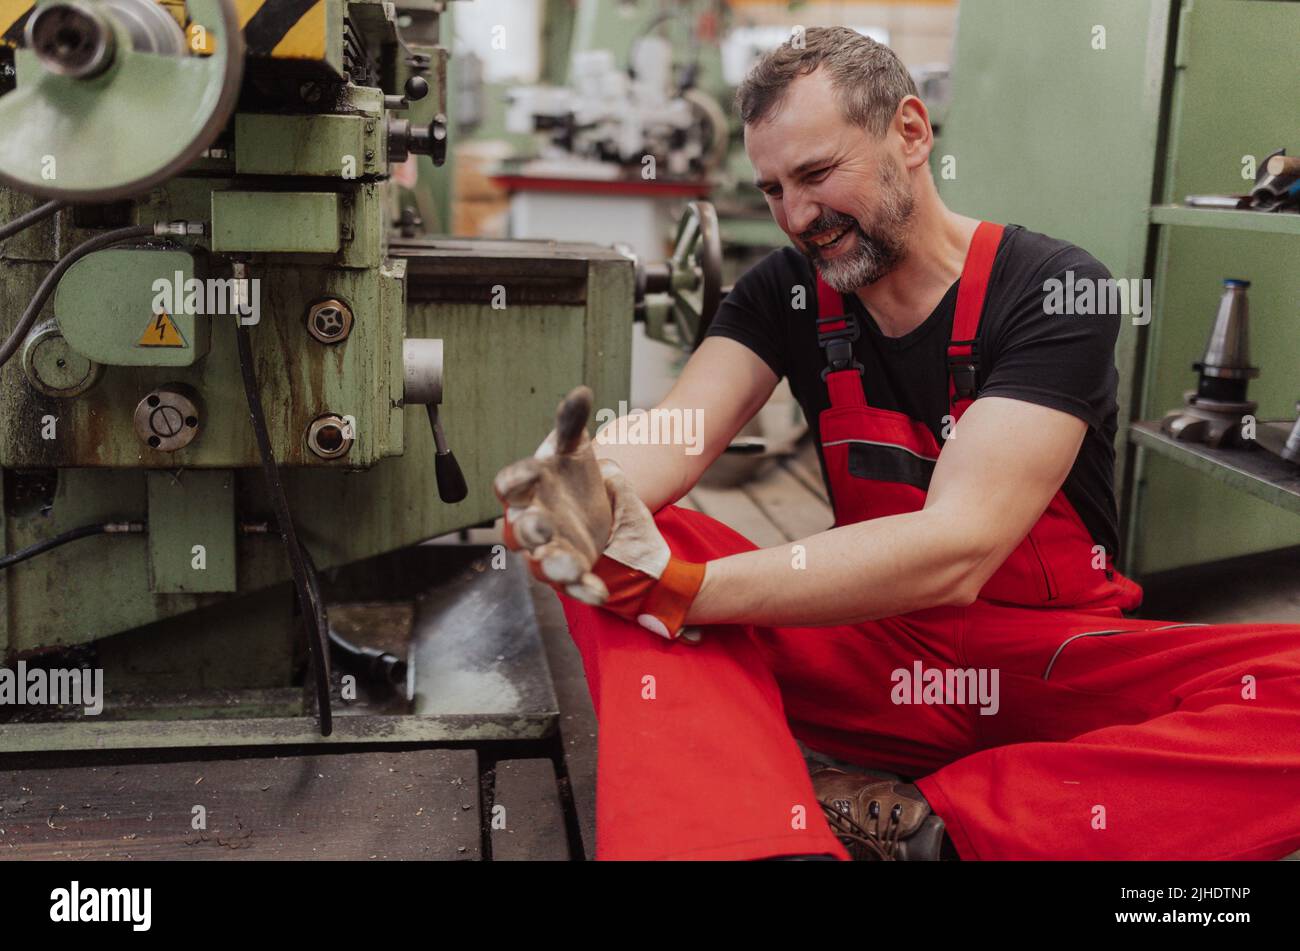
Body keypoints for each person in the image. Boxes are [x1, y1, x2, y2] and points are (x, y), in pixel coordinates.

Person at [493, 27, 1300, 861]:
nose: (797, 216)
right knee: (620, 554)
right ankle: (752, 839)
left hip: (1049, 663)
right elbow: (680, 429)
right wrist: (590, 485)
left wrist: (683, 593)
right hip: (869, 645)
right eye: (773, 188)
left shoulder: (1054, 288)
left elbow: (959, 547)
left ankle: (935, 828)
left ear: (910, 132)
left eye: (816, 174)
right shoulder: (785, 294)